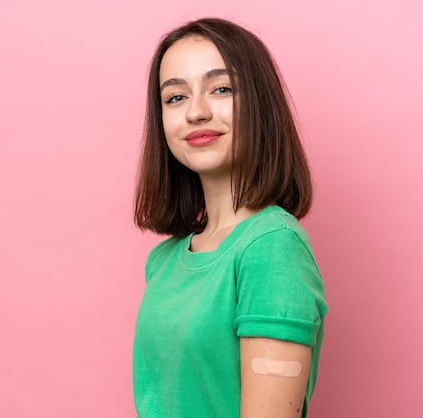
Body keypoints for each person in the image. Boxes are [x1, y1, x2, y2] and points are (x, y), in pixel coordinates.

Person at [133, 17, 328, 418]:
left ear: (260, 104)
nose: (196, 113)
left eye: (221, 89)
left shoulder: (273, 247)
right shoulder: (163, 261)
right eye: (175, 98)